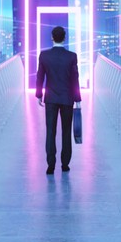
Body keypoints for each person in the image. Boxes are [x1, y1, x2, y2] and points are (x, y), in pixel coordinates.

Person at [34, 24, 81, 174]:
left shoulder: (44, 55)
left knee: (50, 132)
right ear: (64, 38)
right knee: (66, 132)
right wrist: (77, 99)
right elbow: (75, 79)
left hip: (51, 98)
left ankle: (51, 165)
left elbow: (40, 77)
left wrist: (39, 95)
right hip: (67, 98)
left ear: (52, 38)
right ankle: (65, 164)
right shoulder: (71, 56)